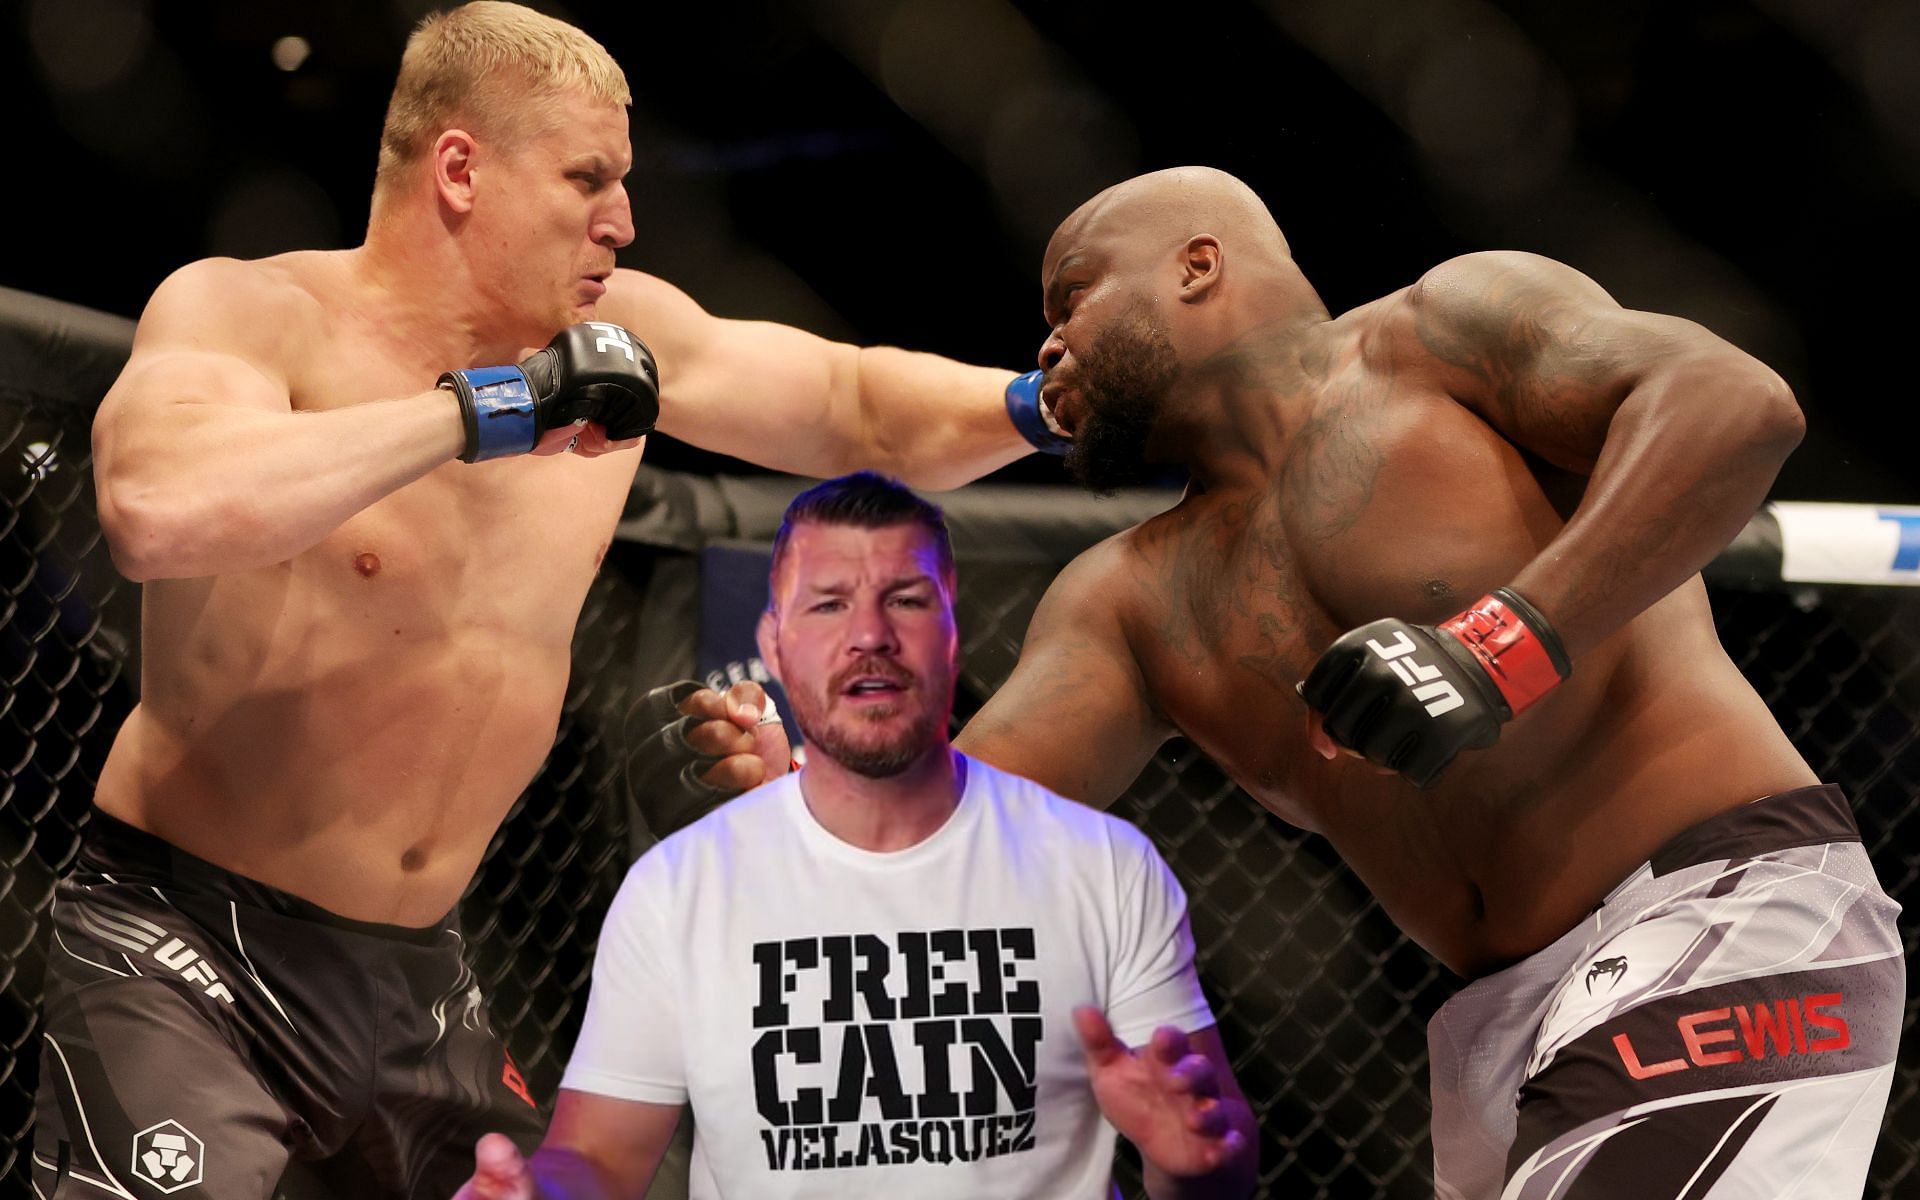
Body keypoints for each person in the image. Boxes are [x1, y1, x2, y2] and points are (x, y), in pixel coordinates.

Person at [30, 5, 1069, 1199]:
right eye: (586, 180)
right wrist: (477, 411)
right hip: (182, 946)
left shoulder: (622, 339)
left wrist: (1042, 408)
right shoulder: (257, 315)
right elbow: (154, 509)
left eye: (622, 183)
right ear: (462, 169)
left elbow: (854, 402)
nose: (622, 223)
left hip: (419, 973)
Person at [937, 168, 1904, 1197]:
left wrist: (1497, 650)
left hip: (1718, 912)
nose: (1046, 347)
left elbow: (1734, 402)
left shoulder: (1441, 336)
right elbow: (957, 834)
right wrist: (809, 806)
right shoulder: (1128, 601)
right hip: (1499, 1028)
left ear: (1196, 265)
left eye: (1071, 298)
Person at [454, 472, 1256, 1200]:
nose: (869, 634)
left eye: (904, 599)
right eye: (829, 603)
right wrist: (535, 1194)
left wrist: (1190, 1166)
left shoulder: (1102, 867)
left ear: (952, 632)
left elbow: (1217, 1158)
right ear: (773, 644)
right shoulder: (677, 889)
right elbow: (595, 1160)